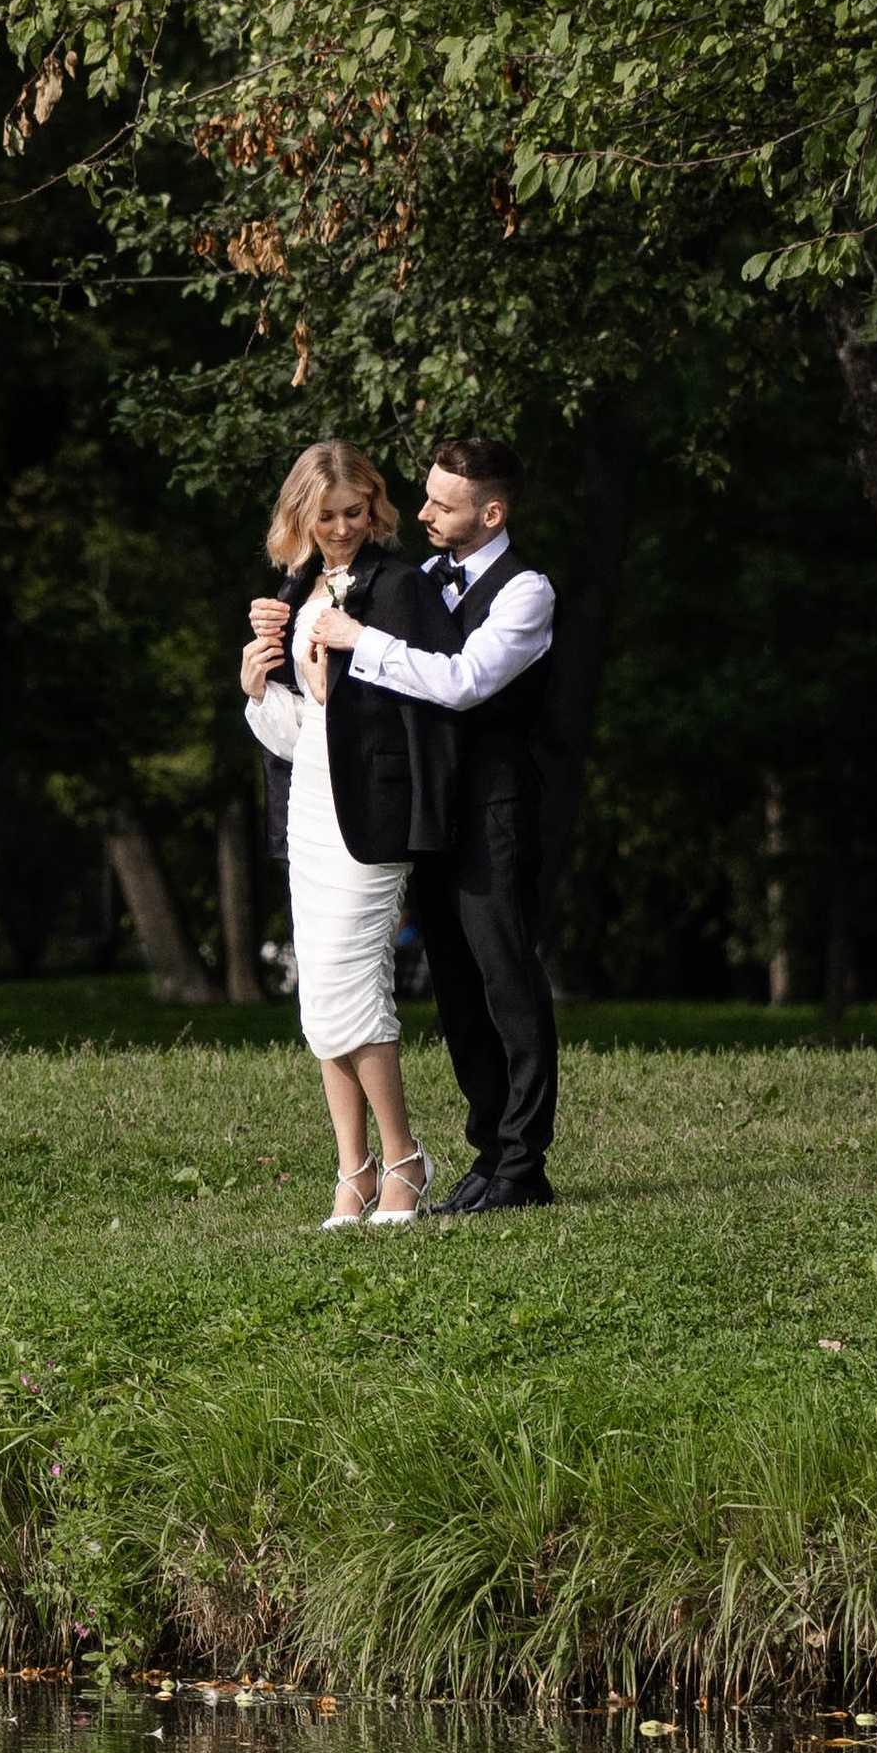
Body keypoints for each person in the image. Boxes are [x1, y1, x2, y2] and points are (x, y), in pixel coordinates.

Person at [307, 436, 559, 1214]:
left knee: (506, 980)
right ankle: (487, 1153)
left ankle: (523, 1167)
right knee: (454, 988)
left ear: (492, 512)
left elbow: (464, 682)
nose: (421, 513)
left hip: (494, 811)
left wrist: (364, 640)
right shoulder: (418, 582)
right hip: (431, 813)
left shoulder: (527, 592)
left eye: (442, 504)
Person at [239, 441, 460, 1228]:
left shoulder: (398, 588)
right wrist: (257, 686)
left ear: (376, 509)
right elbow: (304, 732)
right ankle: (353, 1171)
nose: (340, 529)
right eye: (325, 516)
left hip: (375, 811)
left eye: (354, 513)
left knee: (354, 980)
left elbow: (426, 704)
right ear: (301, 515)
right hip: (310, 801)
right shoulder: (296, 590)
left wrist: (350, 665)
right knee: (319, 994)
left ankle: (404, 1163)